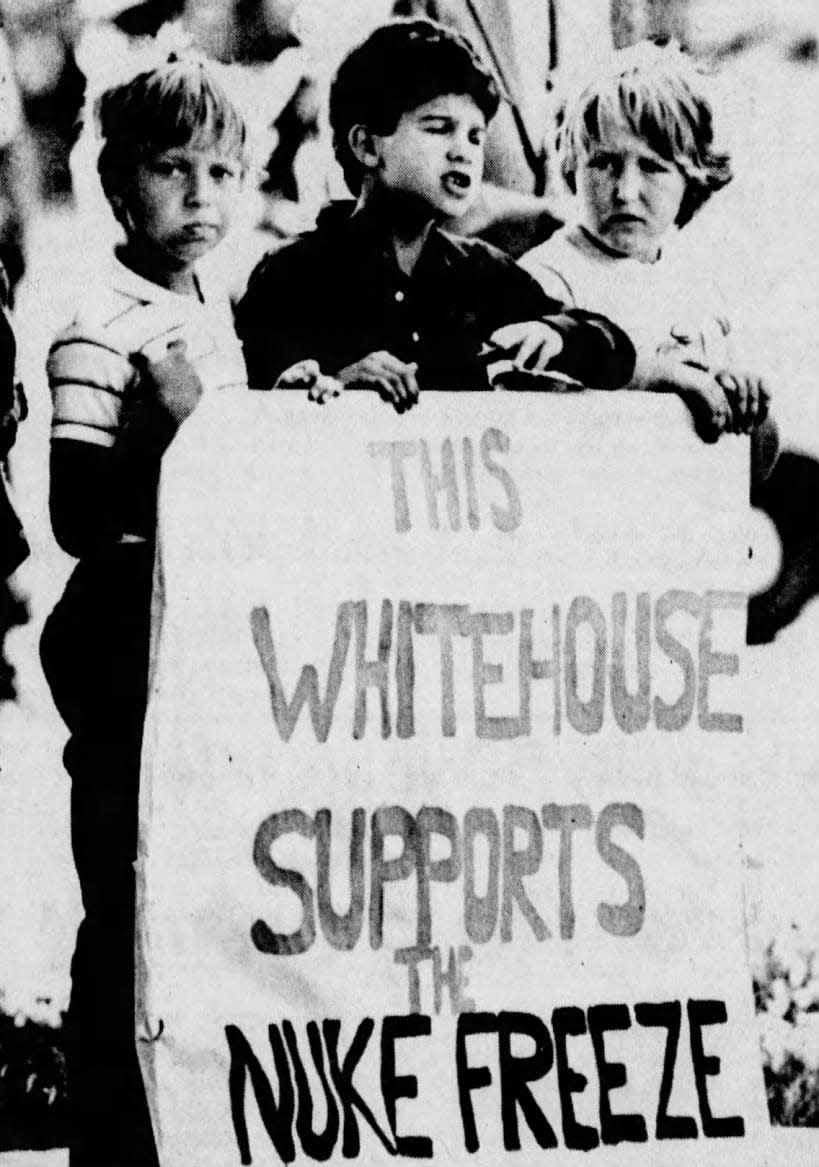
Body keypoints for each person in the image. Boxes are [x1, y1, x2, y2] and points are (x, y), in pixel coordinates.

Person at [39, 54, 251, 1167]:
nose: (200, 195)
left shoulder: (219, 302)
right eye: (173, 169)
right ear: (119, 184)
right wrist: (181, 431)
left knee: (202, 903)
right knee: (124, 906)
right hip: (125, 631)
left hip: (206, 632)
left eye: (222, 169)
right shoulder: (95, 321)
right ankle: (112, 1142)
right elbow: (79, 518)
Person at [236, 19, 636, 408]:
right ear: (366, 146)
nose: (463, 150)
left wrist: (555, 333)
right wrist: (337, 387)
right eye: (439, 128)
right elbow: (256, 427)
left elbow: (612, 344)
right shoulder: (291, 277)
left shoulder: (480, 273)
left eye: (476, 136)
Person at [518, 41, 777, 454]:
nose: (626, 191)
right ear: (571, 168)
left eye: (653, 167)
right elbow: (536, 428)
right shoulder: (545, 279)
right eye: (603, 164)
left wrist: (744, 400)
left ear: (692, 178)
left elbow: (751, 467)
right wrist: (654, 374)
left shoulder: (697, 287)